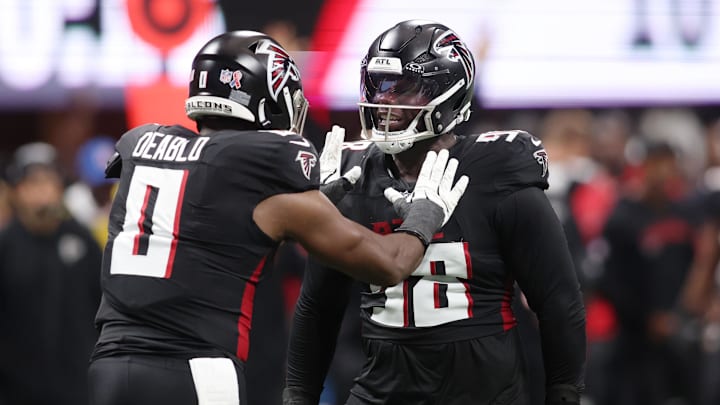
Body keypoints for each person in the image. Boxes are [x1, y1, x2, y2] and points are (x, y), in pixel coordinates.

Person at [87, 30, 469, 405]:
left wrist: (306, 211)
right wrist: (423, 216)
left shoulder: (145, 146)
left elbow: (215, 236)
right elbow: (388, 264)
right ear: (270, 98)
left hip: (108, 365)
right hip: (194, 369)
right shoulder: (263, 168)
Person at [284, 20, 586, 405]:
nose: (385, 101)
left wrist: (563, 393)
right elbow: (318, 307)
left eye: (402, 88)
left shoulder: (497, 173)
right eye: (378, 86)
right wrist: (298, 396)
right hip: (380, 392)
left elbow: (559, 301)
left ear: (447, 94)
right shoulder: (354, 176)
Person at [0, 142, 102, 405]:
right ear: (16, 191)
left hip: (78, 387)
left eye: (48, 181)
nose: (42, 192)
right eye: (32, 183)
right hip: (16, 390)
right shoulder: (5, 246)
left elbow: (103, 306)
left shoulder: (82, 240)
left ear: (60, 188)